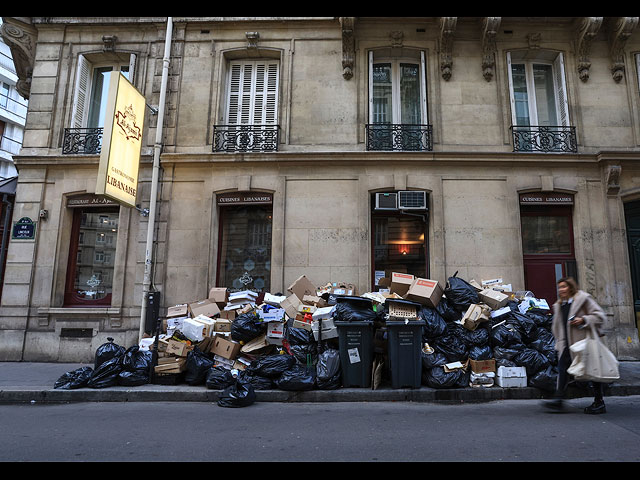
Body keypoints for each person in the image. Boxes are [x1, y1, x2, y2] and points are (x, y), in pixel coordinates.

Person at [544, 277, 608, 414]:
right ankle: (558, 400)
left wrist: (583, 319)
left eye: (564, 287)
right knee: (562, 369)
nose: (561, 290)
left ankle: (599, 402)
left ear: (571, 287)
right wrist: (559, 342)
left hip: (583, 343)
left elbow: (600, 315)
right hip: (567, 345)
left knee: (593, 372)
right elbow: (558, 326)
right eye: (559, 287)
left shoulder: (583, 299)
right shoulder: (560, 304)